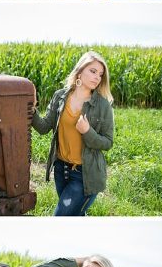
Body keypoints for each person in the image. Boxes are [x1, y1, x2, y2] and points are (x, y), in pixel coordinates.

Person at [31, 51, 114, 216]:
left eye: (100, 74)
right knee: (74, 218)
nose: (97, 77)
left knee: (60, 218)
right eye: (92, 71)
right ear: (80, 71)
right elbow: (43, 127)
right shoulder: (60, 96)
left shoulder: (102, 106)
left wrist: (87, 131)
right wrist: (31, 107)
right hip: (61, 170)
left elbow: (107, 142)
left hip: (85, 175)